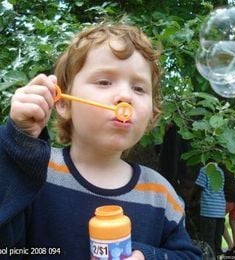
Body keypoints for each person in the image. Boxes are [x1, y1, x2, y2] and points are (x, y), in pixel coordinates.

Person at [0, 24, 202, 259]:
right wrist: (18, 142)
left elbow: (189, 256)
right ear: (64, 102)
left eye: (138, 88)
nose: (125, 96)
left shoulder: (160, 194)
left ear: (151, 116)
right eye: (104, 82)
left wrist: (148, 256)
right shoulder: (35, 172)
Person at [191, 162, 226, 258]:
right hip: (220, 210)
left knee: (208, 240)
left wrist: (191, 199)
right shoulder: (220, 171)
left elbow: (197, 188)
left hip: (209, 210)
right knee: (217, 240)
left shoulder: (204, 170)